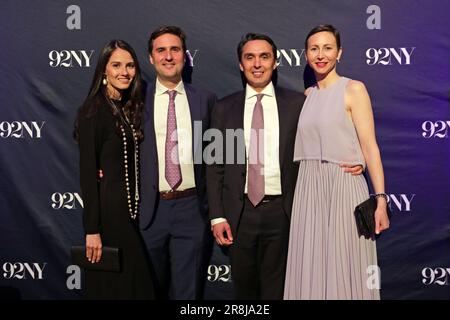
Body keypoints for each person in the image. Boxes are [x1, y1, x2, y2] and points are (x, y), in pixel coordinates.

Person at [283, 24, 390, 300]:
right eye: (314, 48)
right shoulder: (308, 96)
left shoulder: (353, 89)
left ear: (339, 53)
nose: (321, 54)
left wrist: (380, 199)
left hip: (343, 187)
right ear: (306, 54)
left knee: (345, 264)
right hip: (308, 190)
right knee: (312, 267)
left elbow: (369, 146)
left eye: (328, 48)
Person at [139, 26, 217, 300]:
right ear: (151, 57)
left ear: (185, 56)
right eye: (161, 50)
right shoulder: (136, 99)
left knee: (189, 294)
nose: (169, 56)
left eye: (175, 49)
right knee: (148, 289)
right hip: (150, 210)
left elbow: (216, 157)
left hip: (192, 210)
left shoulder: (205, 100)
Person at [74, 40, 155, 299]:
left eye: (130, 65)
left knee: (122, 288)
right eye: (116, 65)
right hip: (110, 214)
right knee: (131, 286)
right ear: (104, 71)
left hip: (130, 211)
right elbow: (88, 173)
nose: (125, 72)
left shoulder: (125, 108)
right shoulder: (93, 110)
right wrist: (92, 230)